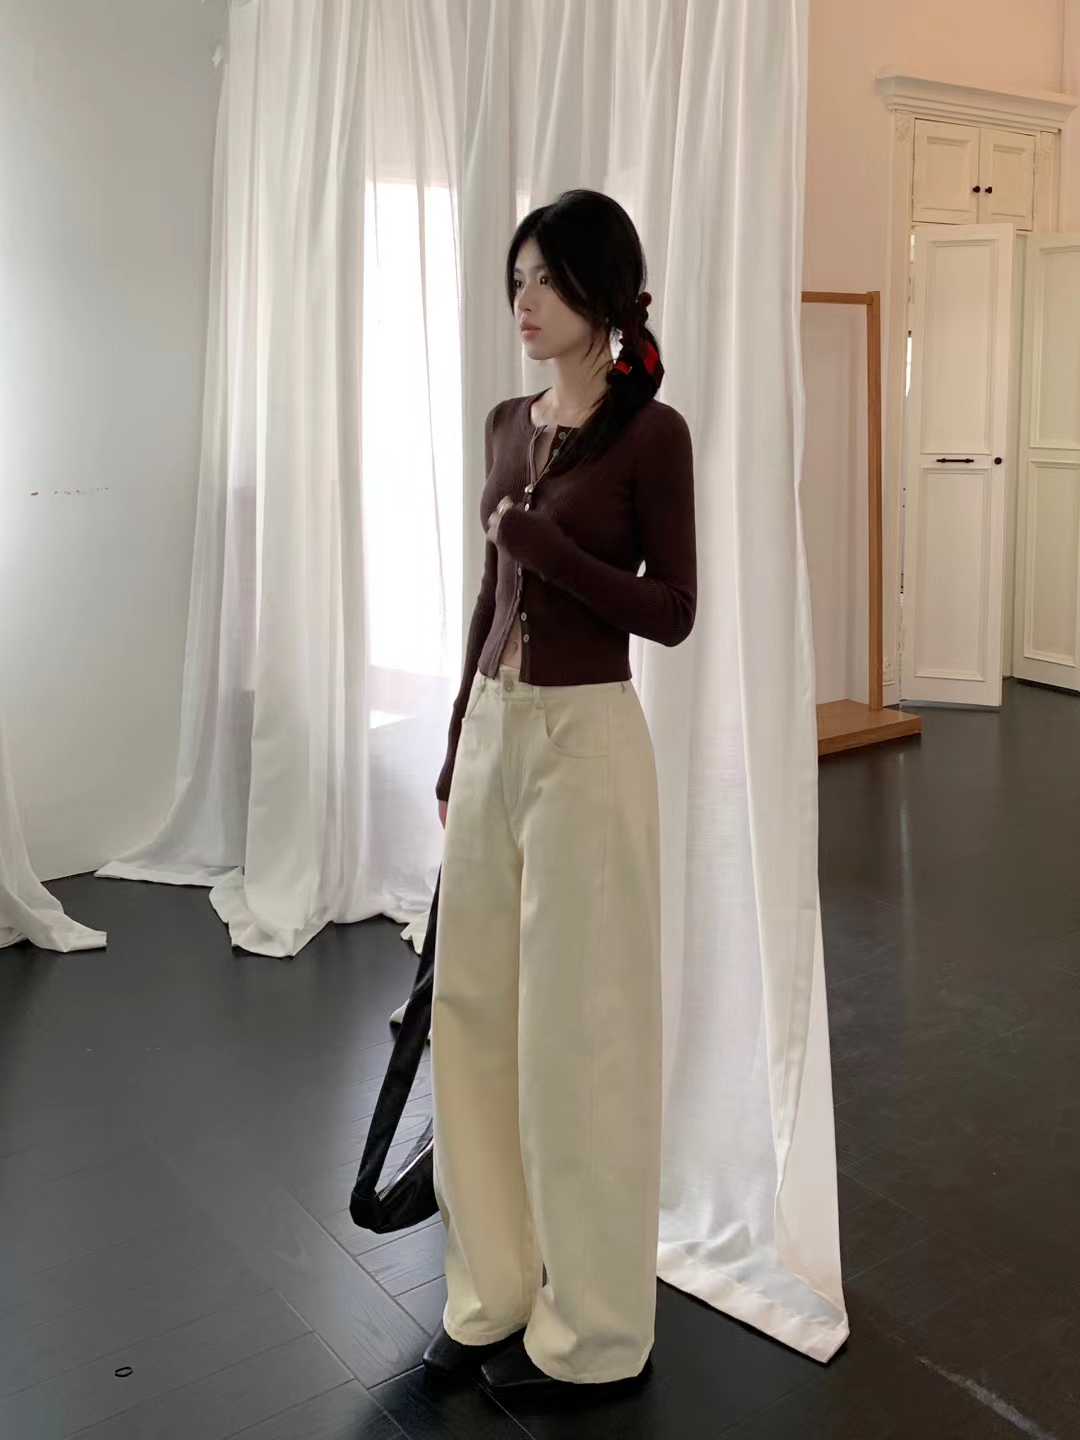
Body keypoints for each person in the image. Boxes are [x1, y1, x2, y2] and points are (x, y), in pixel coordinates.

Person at [424, 189, 696, 1395]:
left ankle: (594, 1335)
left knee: (581, 1037)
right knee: (473, 1016)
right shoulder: (506, 424)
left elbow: (673, 612)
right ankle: (490, 1293)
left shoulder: (652, 436)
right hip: (496, 731)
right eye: (516, 279)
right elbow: (490, 600)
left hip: (589, 743)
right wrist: (455, 741)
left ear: (603, 292)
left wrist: (556, 554)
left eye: (544, 278)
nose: (523, 300)